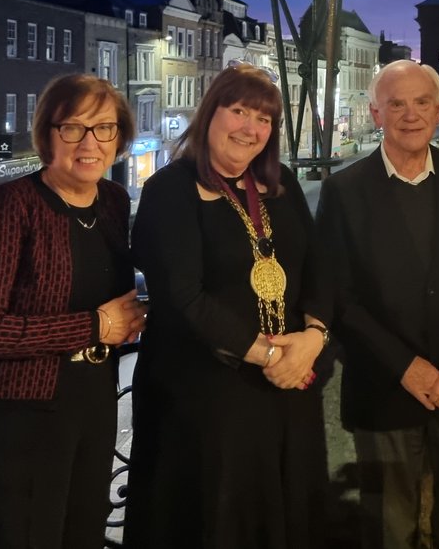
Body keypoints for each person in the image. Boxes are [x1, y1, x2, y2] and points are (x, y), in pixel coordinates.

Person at [123, 62, 331, 548]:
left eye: (264, 119)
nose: (251, 128)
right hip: (204, 400)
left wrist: (314, 338)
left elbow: (322, 269)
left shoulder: (282, 186)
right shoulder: (169, 190)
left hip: (285, 394)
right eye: (238, 111)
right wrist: (273, 356)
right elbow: (182, 296)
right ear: (209, 113)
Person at [317, 59, 439, 549]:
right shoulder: (344, 190)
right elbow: (339, 294)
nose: (410, 114)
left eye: (422, 102)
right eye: (396, 104)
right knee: (387, 532)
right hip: (383, 389)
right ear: (375, 113)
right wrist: (407, 367)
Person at [0, 73, 147, 549]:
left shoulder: (114, 201)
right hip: (15, 419)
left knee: (79, 534)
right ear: (47, 134)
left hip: (92, 404)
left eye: (104, 128)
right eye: (72, 128)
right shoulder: (12, 206)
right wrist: (95, 326)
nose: (90, 143)